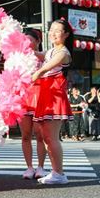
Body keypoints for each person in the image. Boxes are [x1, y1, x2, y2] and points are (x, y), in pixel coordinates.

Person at [32, 18, 74, 185]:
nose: (53, 33)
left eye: (58, 30)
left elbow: (47, 66)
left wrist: (37, 73)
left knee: (52, 137)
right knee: (47, 137)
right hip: (46, 96)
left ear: (66, 35)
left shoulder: (63, 52)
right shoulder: (50, 51)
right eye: (52, 30)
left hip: (54, 97)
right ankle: (56, 171)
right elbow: (41, 55)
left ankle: (59, 173)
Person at [19, 29, 46, 179]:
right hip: (23, 98)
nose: (27, 44)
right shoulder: (18, 58)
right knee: (25, 135)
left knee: (40, 134)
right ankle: (29, 167)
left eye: (30, 40)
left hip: (40, 96)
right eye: (24, 41)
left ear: (37, 42)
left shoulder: (44, 57)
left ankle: (40, 167)